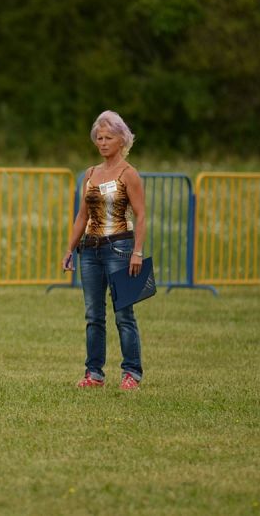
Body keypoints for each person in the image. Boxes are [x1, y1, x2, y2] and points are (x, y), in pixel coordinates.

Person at [61, 110, 147, 390]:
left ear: (122, 140)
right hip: (90, 251)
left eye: (109, 137)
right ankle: (94, 373)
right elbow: (82, 216)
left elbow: (141, 215)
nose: (103, 142)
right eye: (99, 137)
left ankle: (131, 372)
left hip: (120, 247)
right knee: (93, 315)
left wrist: (137, 251)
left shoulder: (129, 174)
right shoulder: (90, 174)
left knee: (124, 313)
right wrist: (70, 249)